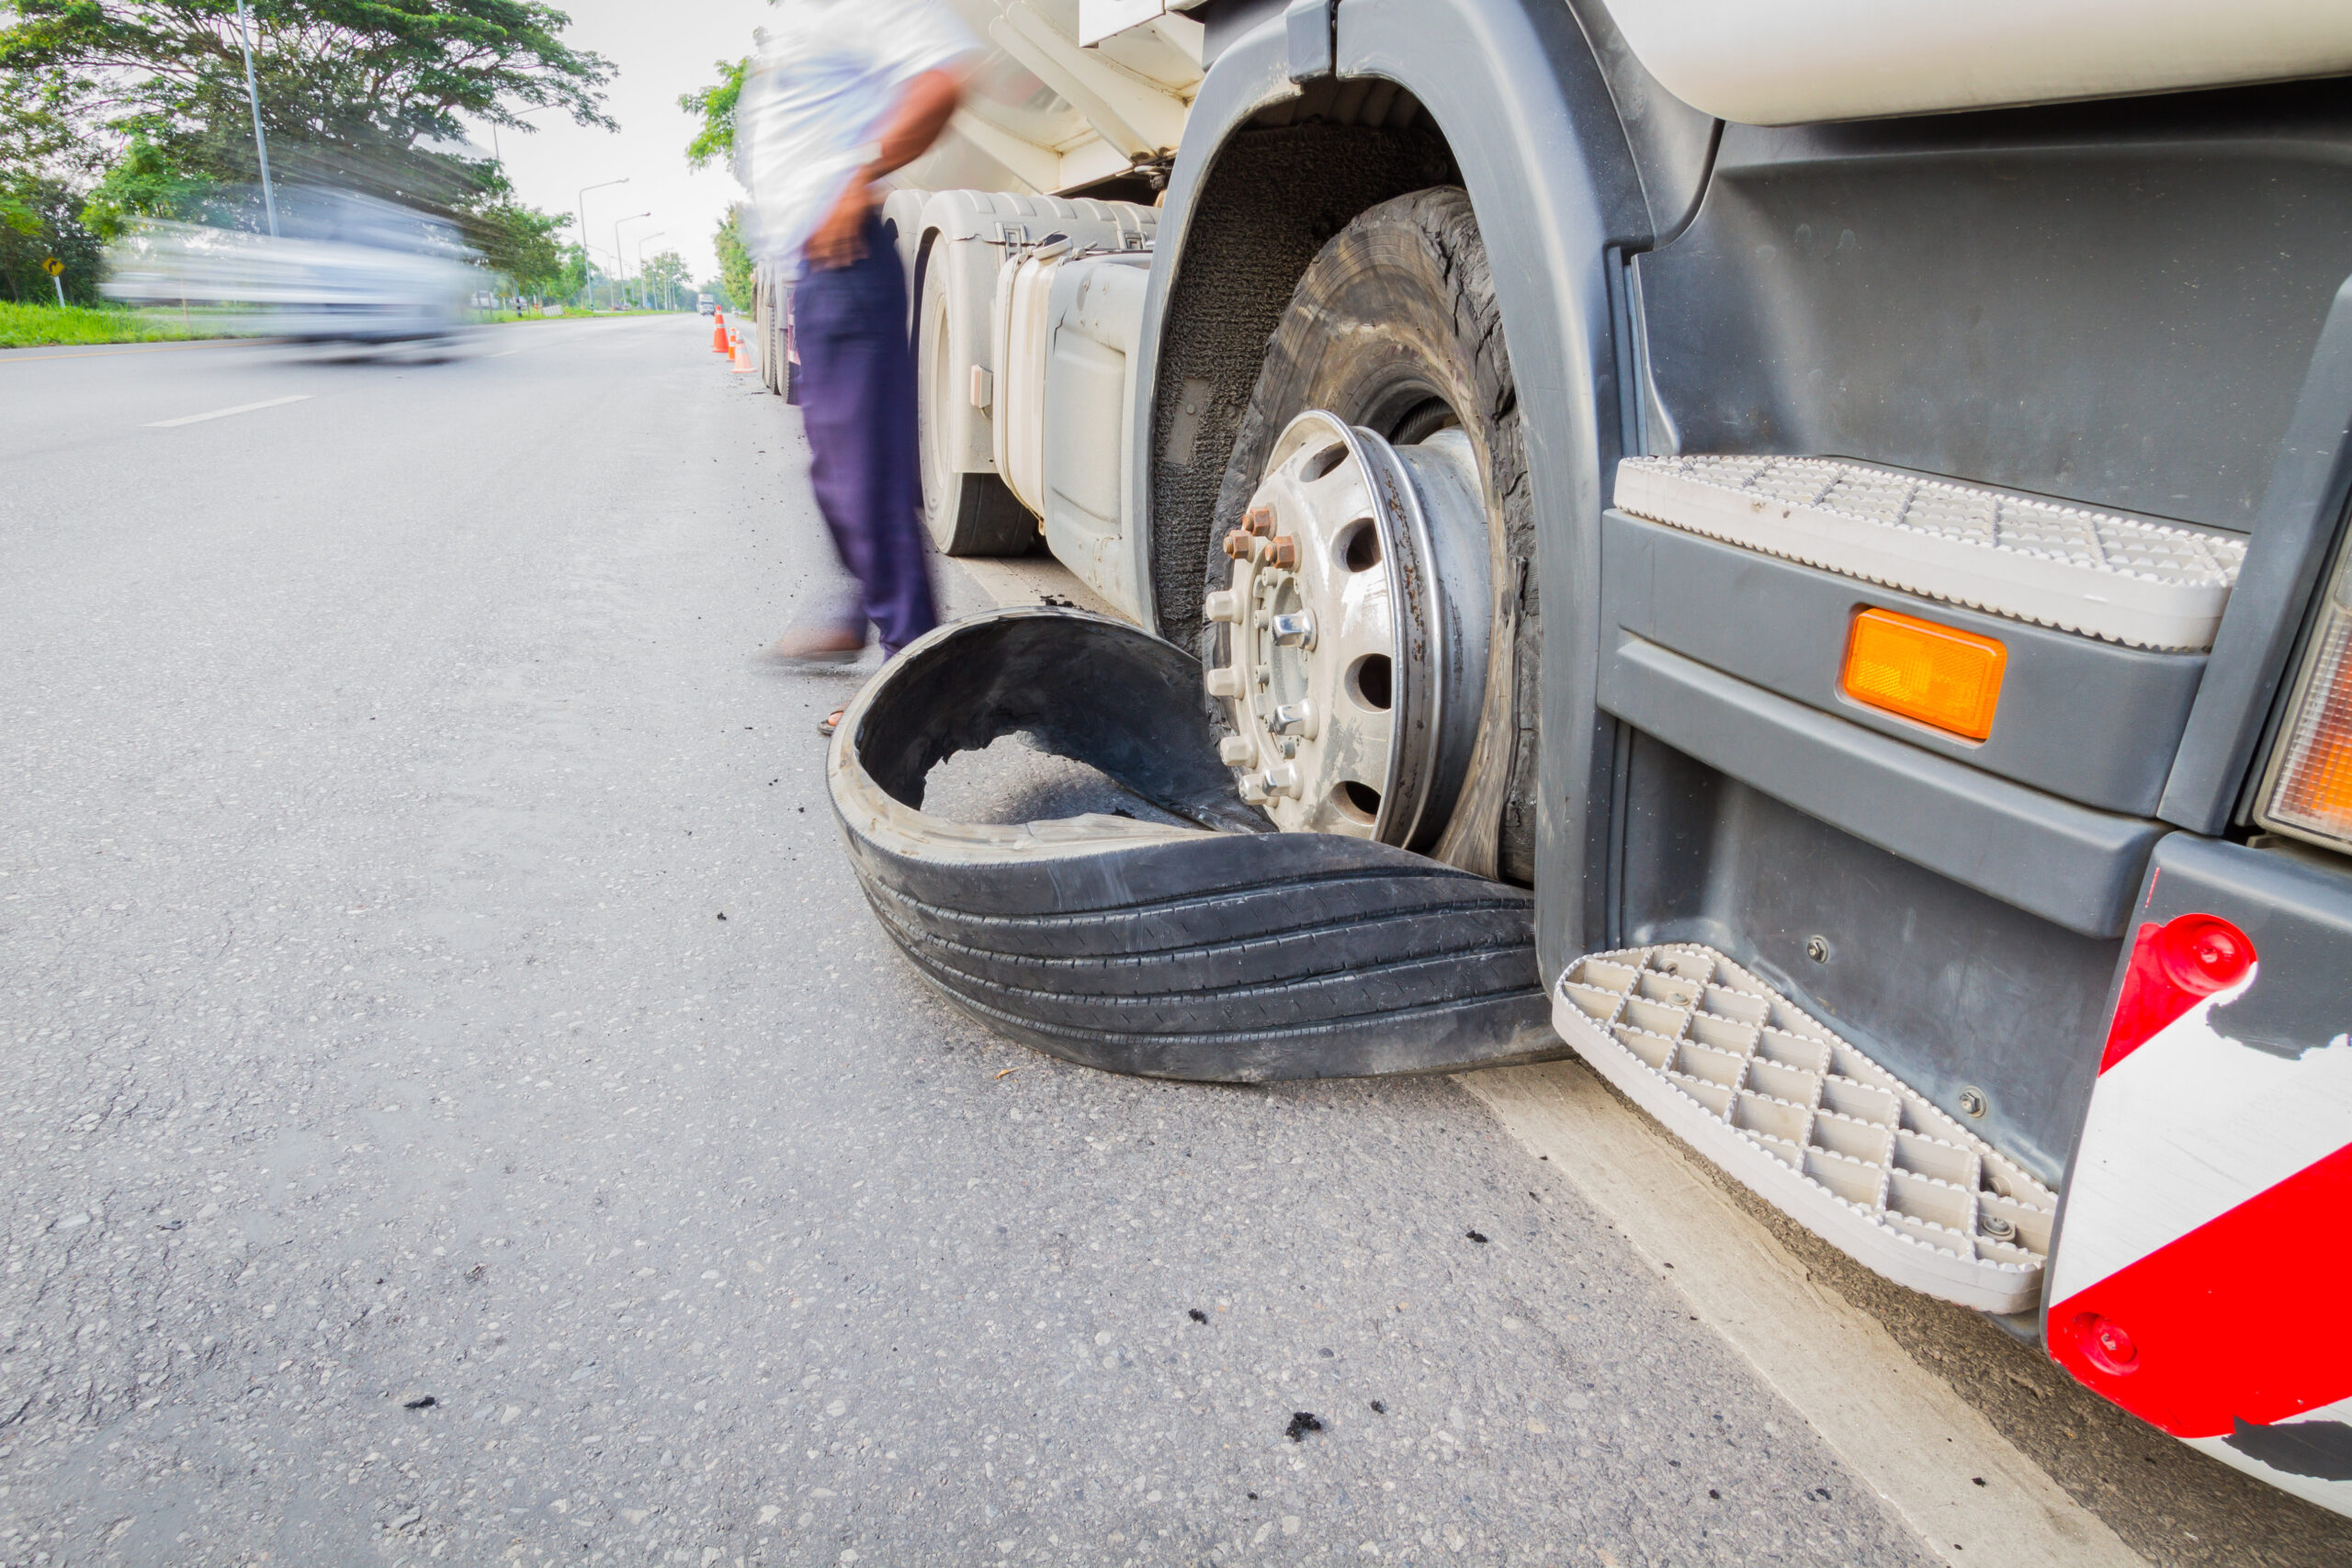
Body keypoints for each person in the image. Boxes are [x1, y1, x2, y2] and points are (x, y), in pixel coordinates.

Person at [736, 0, 980, 736]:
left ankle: (915, 680)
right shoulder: (795, 20)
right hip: (813, 272)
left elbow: (941, 81)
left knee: (865, 479)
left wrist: (857, 174)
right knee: (836, 469)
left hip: (845, 256)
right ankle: (853, 613)